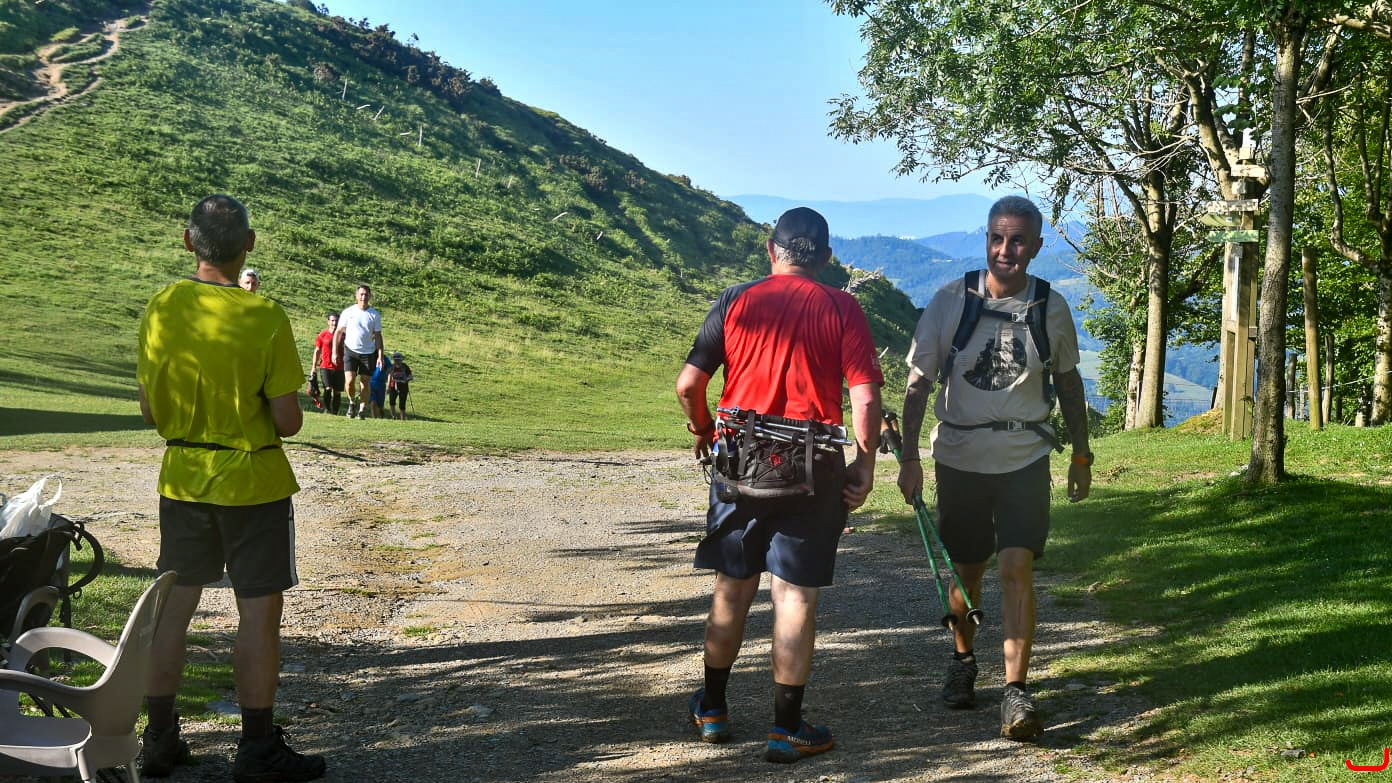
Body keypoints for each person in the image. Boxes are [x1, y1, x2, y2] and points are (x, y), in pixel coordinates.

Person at [675, 207, 883, 764]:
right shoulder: (842, 307)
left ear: (772, 250)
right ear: (827, 258)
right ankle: (786, 729)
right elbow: (864, 400)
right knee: (794, 597)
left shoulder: (735, 300)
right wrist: (864, 464)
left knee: (732, 587)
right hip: (813, 467)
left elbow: (689, 384)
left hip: (738, 461)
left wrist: (703, 430)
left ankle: (712, 708)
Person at [136, 195, 326, 783]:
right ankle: (257, 747)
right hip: (253, 485)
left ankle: (158, 737)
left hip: (184, 478)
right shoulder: (264, 316)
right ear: (249, 244)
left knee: (173, 610)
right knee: (258, 614)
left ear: (187, 241)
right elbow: (288, 421)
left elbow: (149, 410)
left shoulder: (162, 306)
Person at [895, 195, 1092, 741]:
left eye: (1018, 240)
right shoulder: (950, 301)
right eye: (997, 238)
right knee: (967, 571)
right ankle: (963, 660)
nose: (1006, 250)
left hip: (1025, 456)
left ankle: (1015, 690)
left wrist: (1081, 454)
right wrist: (909, 457)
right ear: (986, 239)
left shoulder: (1050, 306)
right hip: (959, 458)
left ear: (1036, 246)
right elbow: (918, 385)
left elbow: (1068, 382)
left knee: (1016, 568)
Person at [333, 283, 383, 419]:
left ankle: (361, 409)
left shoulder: (374, 315)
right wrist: (334, 352)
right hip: (350, 351)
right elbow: (338, 332)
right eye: (361, 294)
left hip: (368, 353)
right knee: (349, 381)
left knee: (365, 382)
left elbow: (378, 336)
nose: (363, 297)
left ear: (370, 296)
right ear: (356, 296)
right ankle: (351, 402)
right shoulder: (348, 312)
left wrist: (380, 356)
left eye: (366, 294)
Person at [310, 312, 344, 415]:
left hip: (340, 367)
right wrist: (313, 367)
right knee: (328, 388)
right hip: (325, 366)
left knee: (337, 391)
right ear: (328, 322)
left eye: (336, 320)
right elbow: (317, 351)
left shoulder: (344, 336)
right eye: (332, 320)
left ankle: (335, 412)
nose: (334, 323)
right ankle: (327, 409)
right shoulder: (323, 334)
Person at [387, 351, 414, 420]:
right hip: (393, 386)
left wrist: (407, 379)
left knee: (402, 404)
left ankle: (402, 419)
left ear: (401, 360)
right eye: (396, 360)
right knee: (391, 402)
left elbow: (411, 376)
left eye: (399, 359)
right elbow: (389, 376)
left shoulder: (405, 367)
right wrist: (388, 387)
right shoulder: (392, 367)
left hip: (403, 387)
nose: (397, 361)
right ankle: (394, 417)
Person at [367, 354, 390, 419]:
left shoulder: (385, 358)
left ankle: (381, 417)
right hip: (371, 383)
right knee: (372, 402)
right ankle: (373, 418)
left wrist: (388, 385)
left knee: (380, 406)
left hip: (381, 384)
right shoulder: (369, 356)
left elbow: (390, 371)